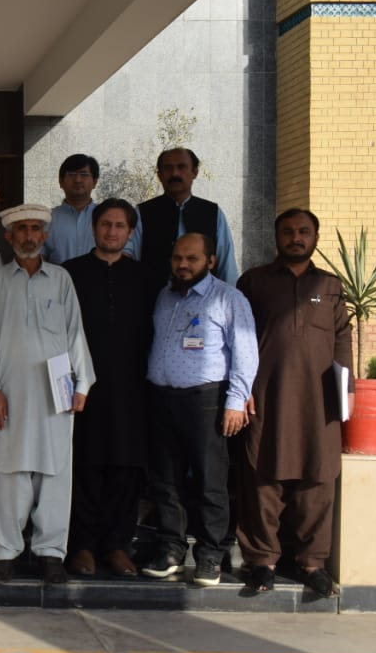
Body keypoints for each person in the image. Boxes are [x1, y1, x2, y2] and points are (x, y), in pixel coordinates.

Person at [0, 204, 95, 585]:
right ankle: (4, 553)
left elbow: (75, 332)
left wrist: (83, 384)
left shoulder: (60, 279)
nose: (28, 236)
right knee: (6, 471)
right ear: (9, 236)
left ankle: (50, 554)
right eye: (21, 229)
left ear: (44, 236)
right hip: (8, 392)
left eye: (35, 229)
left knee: (55, 470)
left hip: (55, 392)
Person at [237, 208, 351, 597]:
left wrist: (348, 391)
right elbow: (238, 337)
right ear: (276, 237)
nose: (296, 237)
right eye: (288, 231)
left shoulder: (330, 285)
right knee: (262, 475)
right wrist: (240, 389)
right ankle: (262, 561)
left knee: (318, 477)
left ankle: (313, 562)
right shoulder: (254, 282)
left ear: (315, 237)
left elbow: (342, 337)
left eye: (303, 231)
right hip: (265, 396)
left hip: (320, 401)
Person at [142, 233, 257, 586]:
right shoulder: (165, 295)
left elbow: (246, 353)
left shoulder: (228, 298)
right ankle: (171, 549)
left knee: (210, 481)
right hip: (162, 398)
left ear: (210, 261)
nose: (183, 265)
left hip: (206, 400)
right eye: (178, 258)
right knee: (166, 480)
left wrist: (236, 401)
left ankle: (210, 555)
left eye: (191, 258)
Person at [62, 199, 156, 576]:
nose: (112, 232)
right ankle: (82, 545)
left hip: (132, 388)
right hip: (83, 387)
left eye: (120, 226)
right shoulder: (70, 273)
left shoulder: (146, 277)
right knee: (84, 465)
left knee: (125, 468)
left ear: (130, 232)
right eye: (105, 224)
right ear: (94, 228)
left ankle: (117, 545)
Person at [129, 148, 239, 284]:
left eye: (181, 167)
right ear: (159, 175)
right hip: (154, 295)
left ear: (195, 172)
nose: (174, 173)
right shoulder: (143, 212)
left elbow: (226, 264)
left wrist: (229, 294)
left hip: (204, 296)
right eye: (168, 168)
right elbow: (131, 263)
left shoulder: (212, 212)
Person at [44, 153, 102, 264]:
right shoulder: (47, 220)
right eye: (71, 174)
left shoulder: (106, 217)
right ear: (61, 181)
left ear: (95, 182)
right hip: (58, 276)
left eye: (84, 174)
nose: (78, 180)